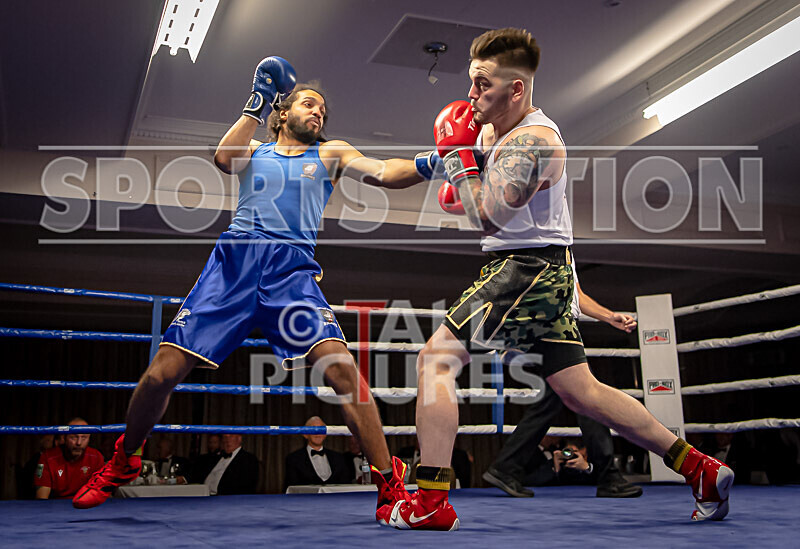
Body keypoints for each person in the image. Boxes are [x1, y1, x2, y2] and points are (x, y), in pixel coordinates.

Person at [380, 28, 733, 531]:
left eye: (482, 84)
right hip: (545, 271)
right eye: (471, 81)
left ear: (516, 90)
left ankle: (432, 501)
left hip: (525, 269)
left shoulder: (536, 142)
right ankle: (700, 469)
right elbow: (433, 179)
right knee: (581, 392)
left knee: (435, 360)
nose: (471, 94)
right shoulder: (488, 132)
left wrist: (459, 165)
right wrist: (361, 166)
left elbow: (491, 216)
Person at [73, 55, 440, 516]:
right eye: (308, 104)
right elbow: (223, 159)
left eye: (323, 109)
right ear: (282, 114)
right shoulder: (255, 150)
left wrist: (434, 161)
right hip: (234, 266)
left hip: (291, 273)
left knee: (344, 372)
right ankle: (125, 458)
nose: (318, 112)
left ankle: (389, 483)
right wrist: (257, 100)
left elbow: (384, 172)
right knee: (160, 375)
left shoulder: (330, 152)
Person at [484, 273, 642, 498]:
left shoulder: (566, 255)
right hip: (546, 327)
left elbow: (577, 294)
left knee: (560, 399)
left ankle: (506, 467)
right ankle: (608, 476)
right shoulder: (545, 252)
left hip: (557, 327)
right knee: (587, 394)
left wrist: (609, 317)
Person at [34, 418, 104, 499]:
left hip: (87, 504)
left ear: (89, 438)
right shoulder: (48, 457)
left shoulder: (96, 456)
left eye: (84, 437)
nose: (79, 443)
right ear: (64, 437)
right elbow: (42, 498)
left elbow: (102, 492)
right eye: (74, 437)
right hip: (56, 505)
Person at [284, 416, 352, 490]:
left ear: (326, 434)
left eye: (321, 429)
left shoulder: (339, 458)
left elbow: (346, 486)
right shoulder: (293, 459)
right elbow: (291, 489)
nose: (318, 433)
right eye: (313, 429)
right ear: (305, 434)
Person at [180, 433, 259, 495]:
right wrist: (183, 479)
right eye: (225, 437)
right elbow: (198, 473)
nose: (227, 440)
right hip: (201, 496)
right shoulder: (215, 457)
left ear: (239, 439)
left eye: (231, 436)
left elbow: (246, 487)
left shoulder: (248, 459)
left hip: (225, 500)